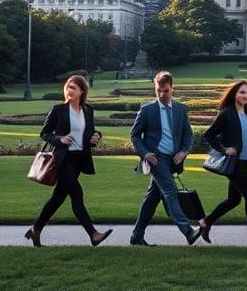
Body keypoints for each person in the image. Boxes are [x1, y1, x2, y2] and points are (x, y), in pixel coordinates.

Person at [24, 74, 113, 248]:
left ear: (81, 91)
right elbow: (44, 133)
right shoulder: (59, 110)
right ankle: (93, 234)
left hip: (79, 160)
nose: (69, 90)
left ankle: (35, 230)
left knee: (58, 198)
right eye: (67, 86)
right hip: (62, 159)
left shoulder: (88, 110)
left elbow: (91, 132)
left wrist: (97, 137)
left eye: (73, 87)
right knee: (77, 194)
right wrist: (60, 139)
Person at [198, 81, 247, 249]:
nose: (246, 96)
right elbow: (209, 134)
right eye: (242, 92)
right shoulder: (227, 113)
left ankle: (206, 222)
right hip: (234, 164)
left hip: (244, 163)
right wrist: (224, 149)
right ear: (234, 94)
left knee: (234, 199)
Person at [129, 71, 203, 246]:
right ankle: (188, 231)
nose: (162, 94)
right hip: (156, 159)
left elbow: (188, 135)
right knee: (170, 191)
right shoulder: (147, 110)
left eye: (166, 91)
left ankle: (136, 236)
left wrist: (185, 150)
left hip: (173, 160)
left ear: (172, 89)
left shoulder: (180, 109)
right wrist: (146, 154)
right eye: (158, 91)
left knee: (151, 199)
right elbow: (134, 135)